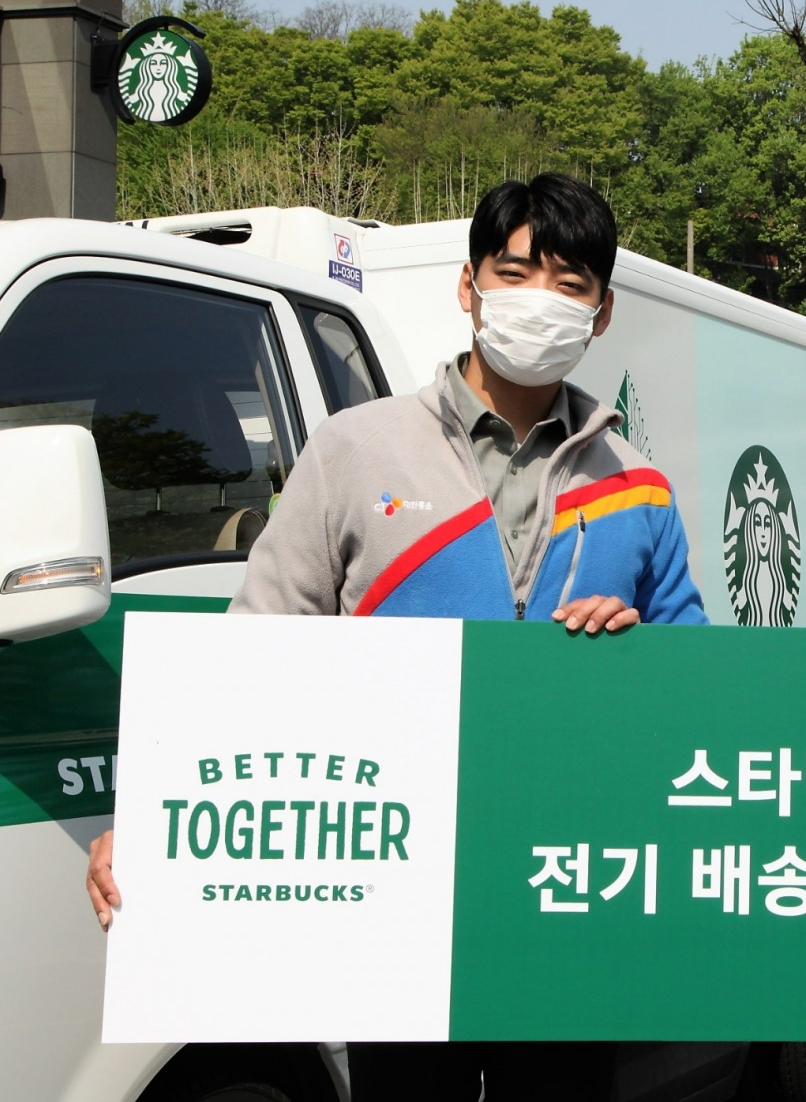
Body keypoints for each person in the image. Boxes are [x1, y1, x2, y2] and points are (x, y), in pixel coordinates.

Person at [86, 173, 708, 1099]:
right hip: (397, 892)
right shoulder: (354, 449)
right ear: (469, 288)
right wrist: (150, 818)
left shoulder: (639, 485)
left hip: (567, 896)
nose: (541, 301)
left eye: (570, 284)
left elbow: (698, 692)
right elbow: (256, 648)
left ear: (603, 311)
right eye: (516, 273)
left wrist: (638, 654)